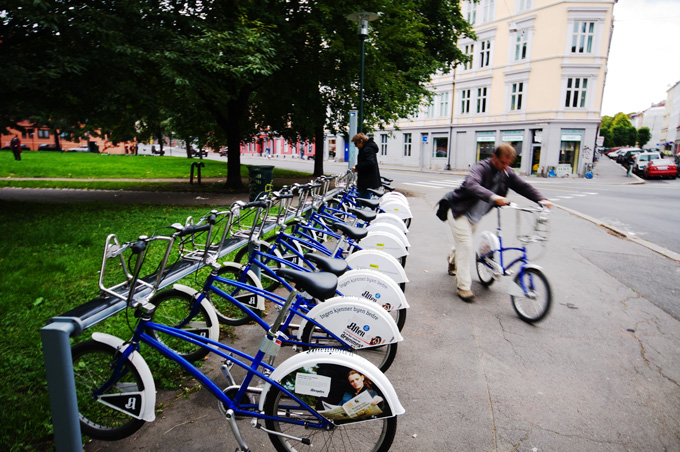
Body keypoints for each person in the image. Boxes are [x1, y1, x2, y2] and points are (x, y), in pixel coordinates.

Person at [438, 144, 552, 302]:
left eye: (508, 164)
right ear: (494, 157)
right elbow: (472, 184)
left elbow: (523, 186)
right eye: (502, 162)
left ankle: (451, 261)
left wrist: (541, 199)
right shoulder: (481, 168)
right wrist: (493, 197)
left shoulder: (507, 173)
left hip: (475, 216)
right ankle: (463, 287)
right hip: (459, 211)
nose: (505, 166)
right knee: (465, 245)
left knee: (463, 244)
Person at [351, 133, 382, 199]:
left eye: (356, 143)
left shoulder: (367, 149)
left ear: (361, 141)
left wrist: (357, 167)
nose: (355, 146)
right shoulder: (368, 148)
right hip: (368, 181)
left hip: (366, 182)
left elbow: (370, 163)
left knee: (363, 200)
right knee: (364, 199)